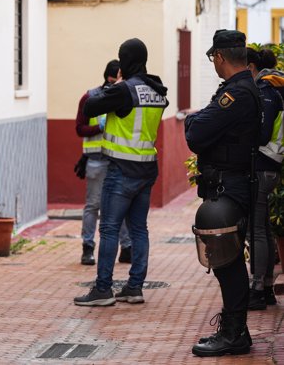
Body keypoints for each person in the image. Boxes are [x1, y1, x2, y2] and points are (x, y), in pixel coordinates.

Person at [73, 38, 168, 307]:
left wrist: (113, 87)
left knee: (110, 228)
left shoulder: (125, 89)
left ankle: (103, 289)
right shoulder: (156, 90)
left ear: (126, 60)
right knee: (139, 229)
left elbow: (90, 106)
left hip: (122, 170)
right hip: (147, 168)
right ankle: (134, 287)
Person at [185, 30, 260, 357]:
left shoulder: (238, 94)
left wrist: (194, 121)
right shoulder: (242, 88)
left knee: (227, 261)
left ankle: (234, 334)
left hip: (229, 186)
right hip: (229, 184)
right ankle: (235, 331)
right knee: (225, 259)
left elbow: (197, 131)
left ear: (219, 57)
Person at [75, 59, 132, 266]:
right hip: (97, 160)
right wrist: (99, 127)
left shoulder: (125, 96)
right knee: (93, 206)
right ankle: (87, 248)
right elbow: (79, 128)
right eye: (112, 80)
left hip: (118, 161)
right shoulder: (90, 97)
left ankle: (126, 248)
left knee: (122, 207)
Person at [246, 47, 282, 310]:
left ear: (250, 67)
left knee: (256, 229)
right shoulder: (275, 87)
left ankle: (257, 289)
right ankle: (267, 286)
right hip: (273, 165)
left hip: (263, 164)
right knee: (264, 229)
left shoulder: (266, 91)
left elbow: (262, 133)